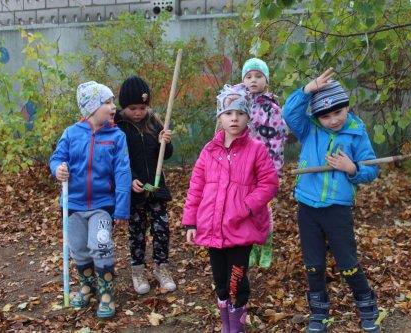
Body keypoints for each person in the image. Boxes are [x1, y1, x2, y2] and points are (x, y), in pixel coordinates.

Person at [282, 68, 381, 333]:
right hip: (308, 206)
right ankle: (319, 312)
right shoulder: (309, 130)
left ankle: (367, 305)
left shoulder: (357, 134)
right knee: (313, 263)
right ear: (317, 117)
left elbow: (372, 170)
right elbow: (288, 113)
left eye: (338, 112)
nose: (333, 120)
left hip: (337, 208)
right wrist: (307, 89)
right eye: (325, 116)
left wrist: (352, 169)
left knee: (347, 261)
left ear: (347, 107)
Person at [182, 84, 279, 333]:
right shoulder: (208, 151)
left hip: (240, 228)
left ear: (248, 116)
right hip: (212, 229)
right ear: (220, 117)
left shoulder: (256, 149)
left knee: (236, 282)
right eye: (228, 113)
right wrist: (191, 222)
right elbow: (196, 188)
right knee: (221, 283)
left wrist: (246, 205)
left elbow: (269, 183)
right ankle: (226, 324)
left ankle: (237, 326)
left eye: (240, 113)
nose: (234, 118)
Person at [49, 81, 131, 319]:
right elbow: (57, 158)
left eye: (112, 101)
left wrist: (122, 209)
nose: (113, 107)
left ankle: (106, 292)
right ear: (92, 107)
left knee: (101, 245)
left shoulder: (116, 136)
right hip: (73, 205)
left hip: (101, 206)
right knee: (79, 250)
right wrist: (58, 169)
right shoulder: (71, 133)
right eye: (107, 102)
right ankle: (87, 285)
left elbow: (123, 173)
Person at [115, 75, 176, 295]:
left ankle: (162, 267)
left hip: (156, 189)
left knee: (161, 229)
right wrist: (130, 179)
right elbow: (118, 159)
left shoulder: (154, 122)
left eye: (142, 107)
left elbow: (166, 155)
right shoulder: (118, 128)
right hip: (134, 191)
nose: (139, 112)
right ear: (124, 107)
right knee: (137, 232)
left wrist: (164, 143)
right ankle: (138, 270)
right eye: (133, 108)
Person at [241, 58, 288, 269]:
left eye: (258, 76)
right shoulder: (238, 103)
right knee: (245, 208)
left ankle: (266, 244)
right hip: (243, 168)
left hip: (264, 167)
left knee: (263, 209)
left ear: (266, 80)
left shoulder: (271, 108)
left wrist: (274, 169)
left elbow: (277, 139)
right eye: (248, 77)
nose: (253, 81)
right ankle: (252, 245)